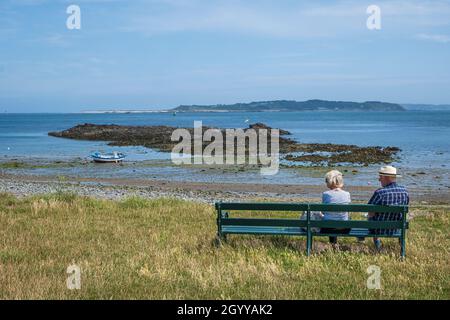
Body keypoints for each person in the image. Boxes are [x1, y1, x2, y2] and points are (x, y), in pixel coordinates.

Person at [366, 165, 409, 250]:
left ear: (387, 178)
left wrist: (371, 214)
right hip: (397, 228)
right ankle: (401, 247)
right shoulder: (404, 191)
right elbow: (405, 209)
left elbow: (369, 209)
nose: (379, 179)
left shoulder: (380, 192)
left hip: (379, 229)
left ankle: (378, 247)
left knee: (371, 216)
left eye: (380, 177)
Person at [321, 170, 351, 244]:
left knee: (329, 219)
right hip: (344, 228)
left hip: (327, 228)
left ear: (330, 182)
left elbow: (323, 211)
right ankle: (334, 245)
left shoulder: (326, 194)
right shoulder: (347, 194)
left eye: (326, 180)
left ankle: (333, 244)